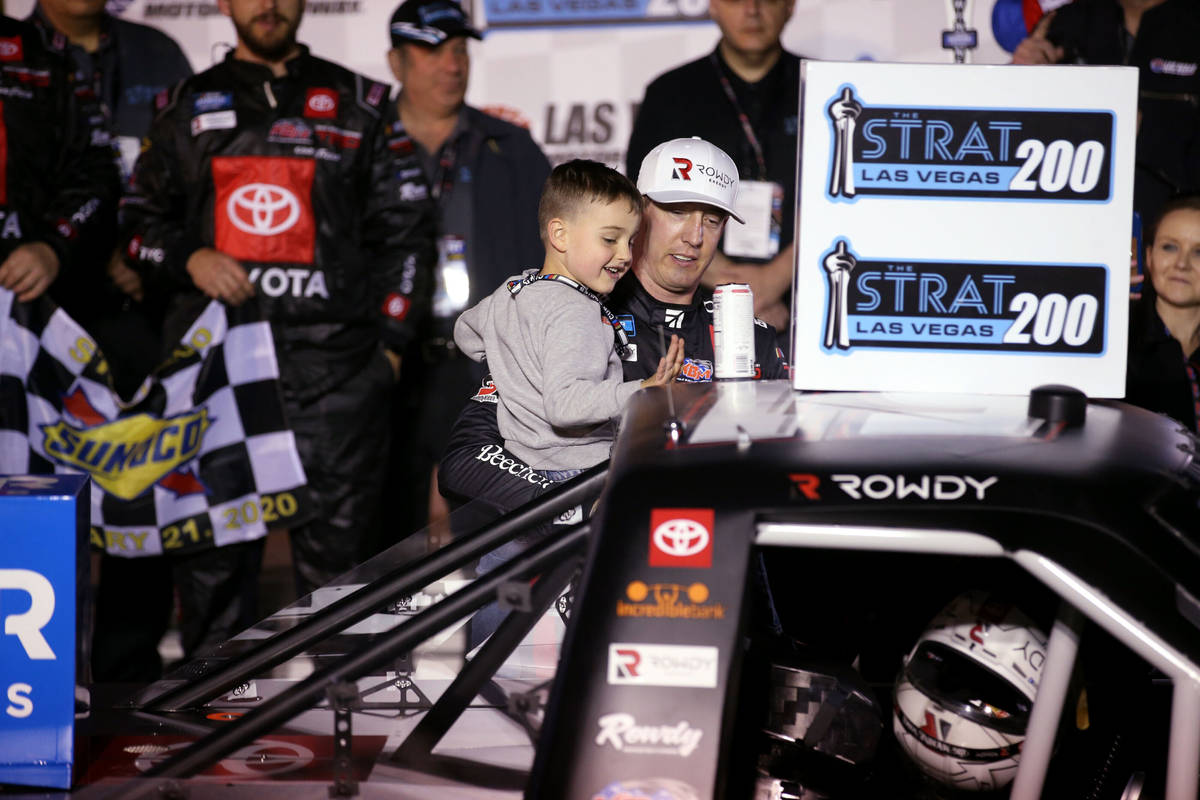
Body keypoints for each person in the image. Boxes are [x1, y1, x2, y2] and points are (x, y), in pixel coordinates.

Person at [121, 0, 436, 658]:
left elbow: (407, 232)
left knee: (344, 591)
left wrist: (388, 351)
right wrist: (188, 257)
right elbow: (134, 226)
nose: (267, 5)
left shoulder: (359, 103)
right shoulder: (185, 106)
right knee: (211, 582)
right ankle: (214, 734)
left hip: (337, 381)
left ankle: (339, 736)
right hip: (214, 383)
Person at [439, 136, 789, 515]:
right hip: (597, 560)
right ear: (640, 211)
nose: (695, 237)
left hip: (719, 551)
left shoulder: (751, 338)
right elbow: (466, 459)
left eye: (712, 219)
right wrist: (578, 509)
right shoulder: (567, 313)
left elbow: (794, 462)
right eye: (677, 211)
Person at [30, 0, 195, 684]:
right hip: (37, 316)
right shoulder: (15, 53)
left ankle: (127, 680)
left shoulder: (159, 54)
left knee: (138, 497)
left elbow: (191, 183)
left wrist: (151, 254)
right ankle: (34, 683)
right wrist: (80, 253)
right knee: (35, 507)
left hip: (139, 314)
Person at [384, 0, 551, 538]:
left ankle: (491, 626)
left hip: (486, 367)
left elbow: (556, 260)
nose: (452, 65)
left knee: (497, 533)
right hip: (389, 366)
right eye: (432, 51)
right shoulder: (361, 144)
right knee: (381, 540)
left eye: (459, 51)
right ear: (396, 63)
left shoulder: (512, 147)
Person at [454, 159, 684, 484]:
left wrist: (516, 364)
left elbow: (466, 333)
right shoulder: (576, 310)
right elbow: (566, 405)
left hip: (521, 470)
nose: (625, 255)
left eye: (630, 241)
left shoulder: (514, 289)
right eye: (610, 240)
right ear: (560, 235)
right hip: (577, 475)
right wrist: (643, 390)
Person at [626, 0, 799, 337]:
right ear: (713, 6)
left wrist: (771, 283)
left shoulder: (826, 90)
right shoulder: (670, 93)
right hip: (691, 313)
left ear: (790, 5)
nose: (752, 9)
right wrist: (735, 286)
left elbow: (849, 205)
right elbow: (638, 200)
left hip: (801, 305)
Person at [1011, 0, 1200, 225]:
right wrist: (1020, 79)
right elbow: (1015, 137)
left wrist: (1143, 132)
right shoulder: (1065, 23)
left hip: (1176, 238)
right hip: (1072, 224)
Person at [1126, 194, 1200, 430]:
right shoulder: (1116, 344)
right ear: (1148, 257)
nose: (1182, 263)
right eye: (1169, 247)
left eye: (1199, 252)